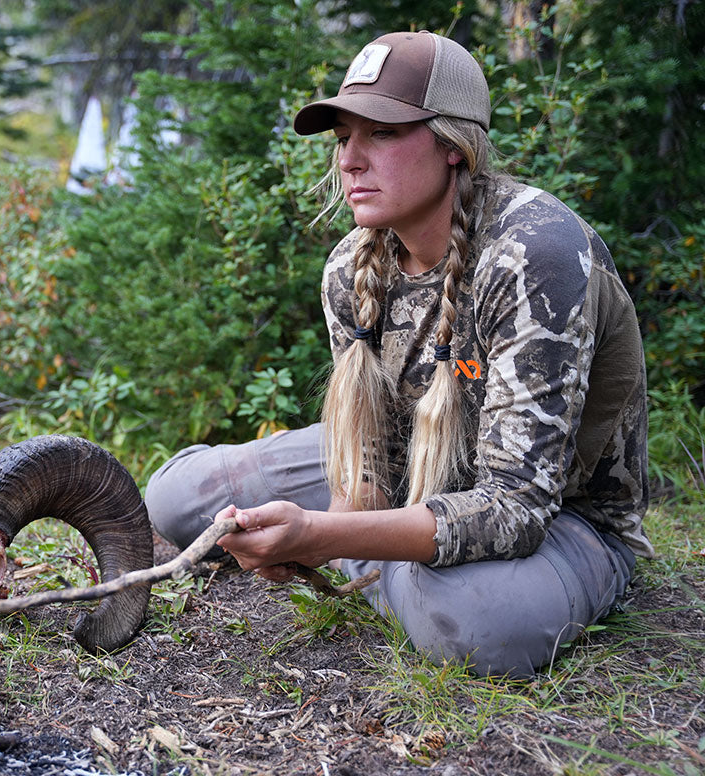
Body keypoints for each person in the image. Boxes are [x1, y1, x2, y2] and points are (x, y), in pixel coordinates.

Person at [143, 31, 652, 678]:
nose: (349, 160)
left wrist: (322, 537)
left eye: (380, 132)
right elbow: (372, 462)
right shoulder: (350, 267)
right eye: (342, 138)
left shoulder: (534, 256)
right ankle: (395, 572)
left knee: (476, 625)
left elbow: (515, 509)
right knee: (178, 498)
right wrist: (338, 520)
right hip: (422, 476)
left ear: (452, 146)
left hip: (565, 518)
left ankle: (399, 576)